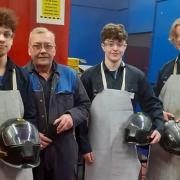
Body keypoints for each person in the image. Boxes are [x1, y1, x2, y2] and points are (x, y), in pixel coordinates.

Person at [80, 23, 164, 180]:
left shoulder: (136, 76)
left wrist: (159, 126)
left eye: (119, 44)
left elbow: (153, 105)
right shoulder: (89, 76)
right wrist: (84, 146)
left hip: (127, 148)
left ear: (125, 46)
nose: (115, 49)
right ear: (103, 46)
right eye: (110, 44)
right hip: (96, 149)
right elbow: (80, 113)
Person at [25, 27, 91, 180]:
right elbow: (16, 114)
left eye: (48, 46)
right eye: (37, 46)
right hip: (31, 151)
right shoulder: (21, 77)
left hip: (64, 152)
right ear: (29, 49)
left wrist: (71, 116)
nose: (43, 50)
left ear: (54, 49)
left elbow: (85, 105)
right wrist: (30, 134)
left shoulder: (70, 75)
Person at [0, 7, 36, 180]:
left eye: (6, 34)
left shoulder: (22, 76)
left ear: (12, 39)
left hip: (18, 157)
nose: (1, 39)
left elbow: (30, 115)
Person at [147, 18, 180, 180]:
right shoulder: (166, 69)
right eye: (176, 36)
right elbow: (153, 102)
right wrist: (161, 112)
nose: (179, 39)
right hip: (164, 137)